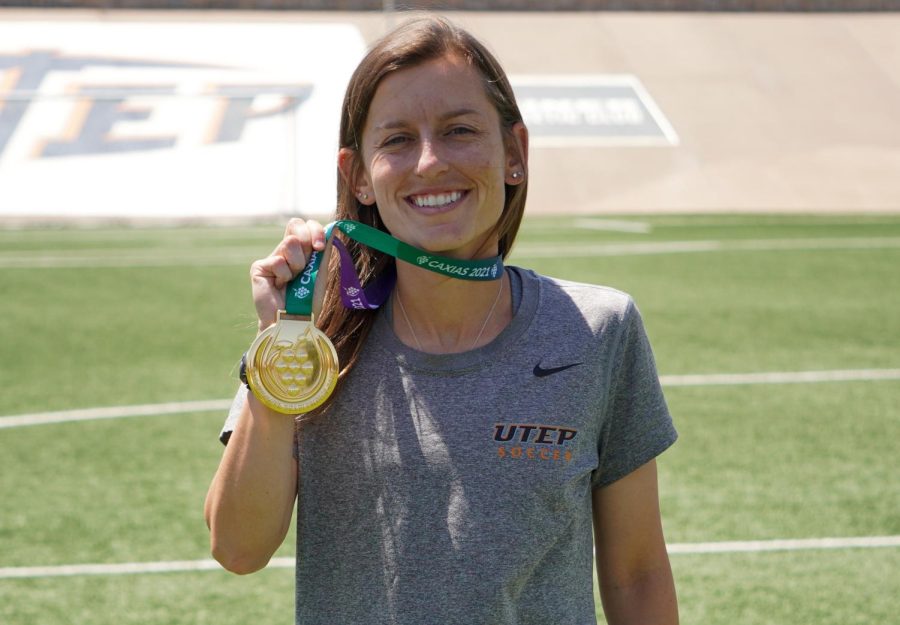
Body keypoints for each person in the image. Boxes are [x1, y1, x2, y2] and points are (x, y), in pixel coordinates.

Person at [205, 15, 678, 625]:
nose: (429, 163)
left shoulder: (598, 329)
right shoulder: (311, 344)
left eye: (459, 130)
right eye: (397, 139)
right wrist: (282, 350)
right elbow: (238, 549)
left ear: (515, 153)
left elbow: (637, 574)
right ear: (358, 176)